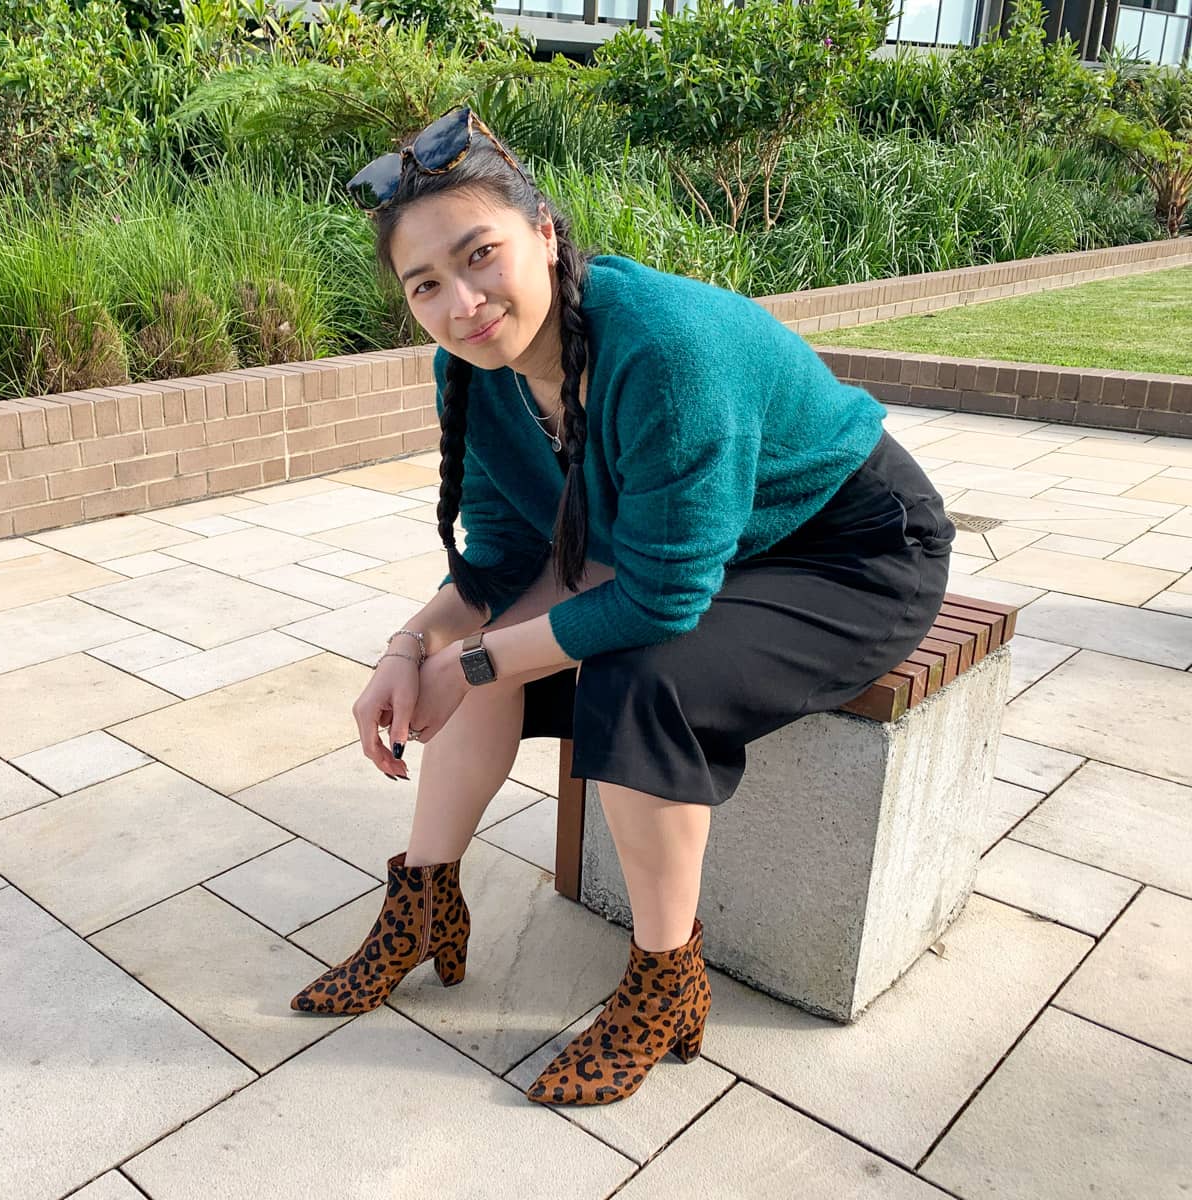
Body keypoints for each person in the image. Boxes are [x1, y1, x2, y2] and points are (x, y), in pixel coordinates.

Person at [287, 106, 954, 1107]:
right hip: (718, 542)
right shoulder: (470, 375)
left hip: (851, 549)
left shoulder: (662, 348)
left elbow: (661, 595)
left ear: (545, 237)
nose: (462, 303)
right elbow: (504, 554)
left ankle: (664, 978)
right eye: (426, 284)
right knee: (498, 638)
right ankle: (423, 906)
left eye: (481, 255)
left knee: (637, 680)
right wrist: (409, 645)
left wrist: (471, 662)